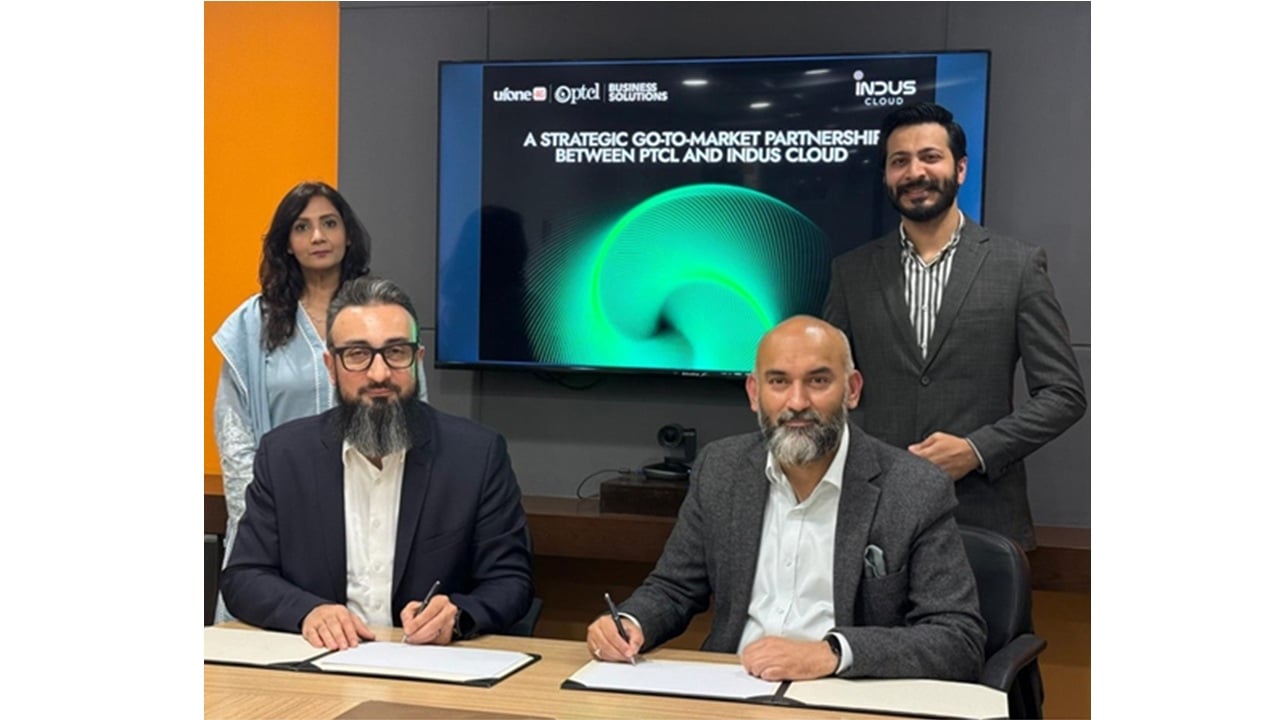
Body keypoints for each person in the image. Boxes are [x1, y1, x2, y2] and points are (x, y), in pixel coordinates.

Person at [586, 316, 985, 682]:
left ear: (852, 390)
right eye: (778, 382)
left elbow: (957, 637)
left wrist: (833, 653)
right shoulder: (720, 469)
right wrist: (631, 622)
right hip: (734, 689)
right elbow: (674, 588)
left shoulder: (914, 488)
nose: (797, 403)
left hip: (846, 692)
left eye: (818, 381)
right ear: (754, 393)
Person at [823, 102, 1086, 550]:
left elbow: (1064, 395)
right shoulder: (852, 273)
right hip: (877, 516)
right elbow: (828, 385)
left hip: (984, 517)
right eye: (899, 161)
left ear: (960, 169)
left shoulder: (1017, 266)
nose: (915, 172)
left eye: (930, 157)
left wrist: (976, 449)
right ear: (886, 176)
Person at [222, 277, 533, 649]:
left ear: (417, 360)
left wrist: (458, 615)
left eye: (396, 352)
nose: (379, 373)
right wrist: (308, 612)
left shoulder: (476, 455)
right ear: (331, 366)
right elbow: (244, 576)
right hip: (320, 661)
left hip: (430, 665)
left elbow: (511, 581)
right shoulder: (284, 456)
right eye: (357, 354)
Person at [212, 181, 427, 622]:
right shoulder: (252, 324)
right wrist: (257, 515)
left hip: (370, 508)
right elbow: (233, 431)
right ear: (286, 244)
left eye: (329, 223)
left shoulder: (381, 314)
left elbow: (412, 407)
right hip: (278, 509)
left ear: (347, 234)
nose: (317, 236)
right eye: (302, 227)